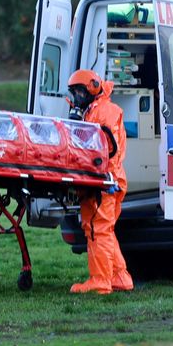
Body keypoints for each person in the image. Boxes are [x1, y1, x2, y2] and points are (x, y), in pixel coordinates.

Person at [67, 69, 133, 295]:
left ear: (92, 88)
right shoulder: (96, 110)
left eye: (79, 91)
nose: (76, 97)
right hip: (107, 179)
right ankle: (120, 276)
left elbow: (101, 148)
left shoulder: (104, 111)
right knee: (103, 229)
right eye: (73, 93)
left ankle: (100, 280)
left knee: (99, 229)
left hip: (105, 180)